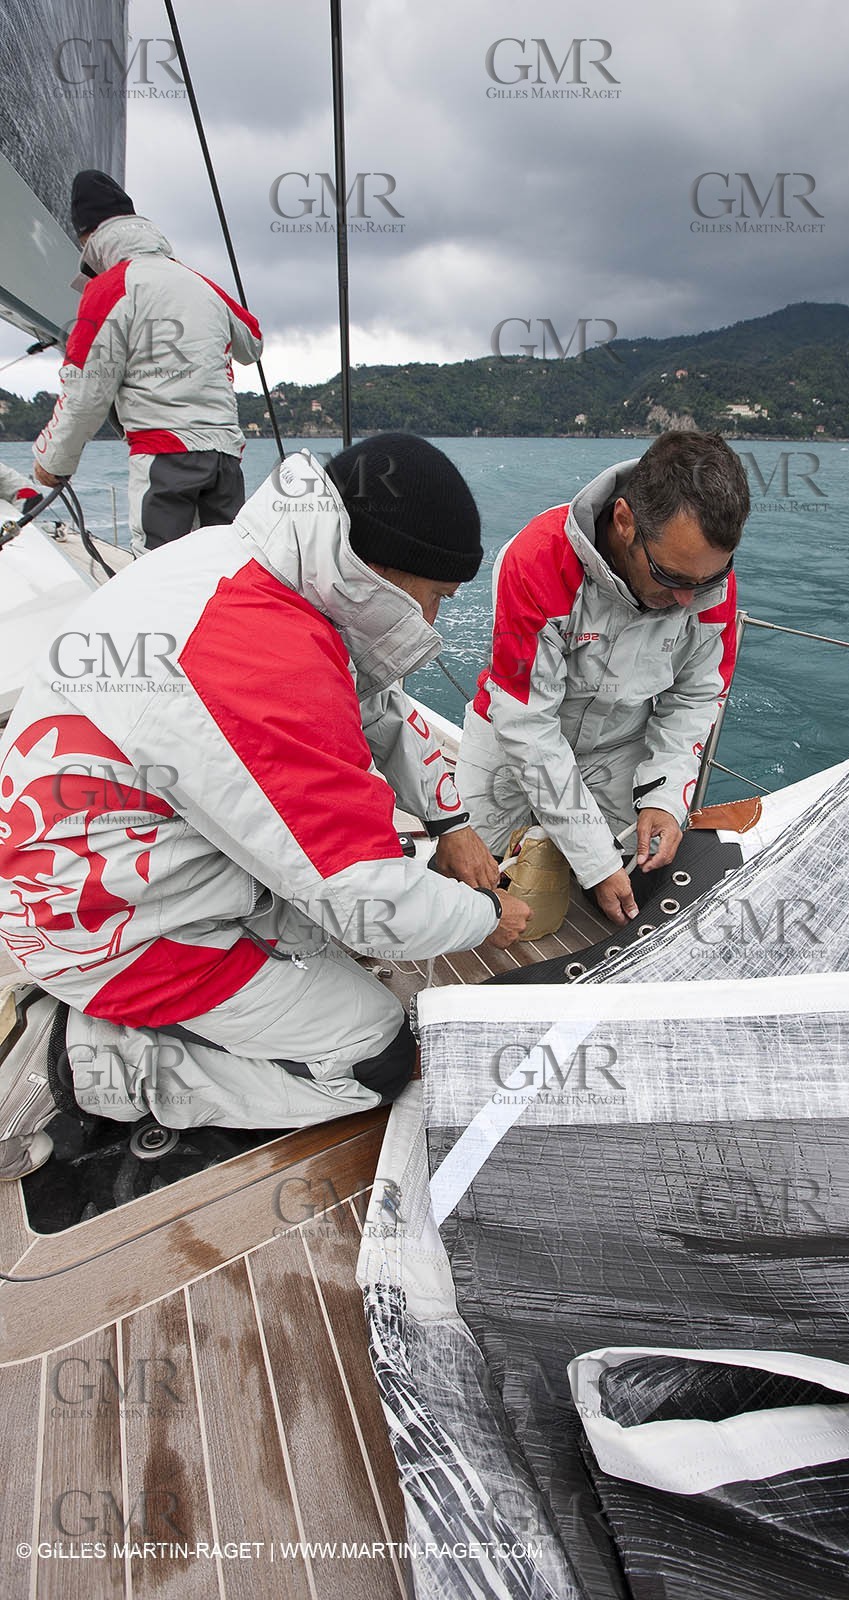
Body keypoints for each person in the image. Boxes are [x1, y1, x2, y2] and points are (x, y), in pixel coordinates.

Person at [0, 434, 529, 1129]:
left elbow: (374, 705)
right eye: (432, 598)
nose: (429, 622)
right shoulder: (263, 659)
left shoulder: (251, 566)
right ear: (374, 571)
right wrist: (485, 920)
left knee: (340, 942)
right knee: (375, 1057)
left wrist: (449, 826)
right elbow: (364, 897)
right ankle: (71, 1064)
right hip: (106, 926)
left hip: (116, 863)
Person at [455, 430, 749, 927]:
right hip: (510, 743)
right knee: (469, 895)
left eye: (708, 581)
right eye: (672, 577)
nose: (688, 599)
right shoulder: (537, 560)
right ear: (624, 522)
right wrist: (594, 859)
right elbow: (528, 727)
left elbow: (695, 699)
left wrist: (664, 796)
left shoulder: (704, 583)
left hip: (616, 750)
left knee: (632, 892)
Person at [33, 170, 263, 556]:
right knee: (221, 568)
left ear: (88, 239)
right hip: (225, 456)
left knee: (158, 573)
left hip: (165, 457)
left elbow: (86, 394)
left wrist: (52, 461)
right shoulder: (197, 281)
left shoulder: (109, 288)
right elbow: (251, 342)